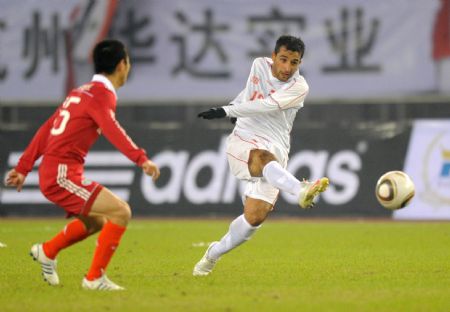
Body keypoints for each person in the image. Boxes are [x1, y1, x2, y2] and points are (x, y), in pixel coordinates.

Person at [4, 39, 160, 290]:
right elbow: (113, 129)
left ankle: (47, 250)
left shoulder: (81, 91)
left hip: (60, 172)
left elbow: (48, 128)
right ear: (122, 65)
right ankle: (94, 278)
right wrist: (141, 158)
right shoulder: (102, 95)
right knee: (121, 212)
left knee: (97, 221)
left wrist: (24, 168)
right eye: (128, 62)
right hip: (61, 175)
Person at [194, 35, 329, 276]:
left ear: (300, 63)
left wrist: (227, 110)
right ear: (274, 56)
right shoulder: (258, 65)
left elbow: (267, 104)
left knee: (254, 219)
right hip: (244, 139)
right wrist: (234, 105)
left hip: (277, 147)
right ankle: (300, 189)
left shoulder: (299, 87)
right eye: (284, 59)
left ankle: (212, 255)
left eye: (295, 62)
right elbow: (249, 92)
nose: (287, 68)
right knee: (262, 157)